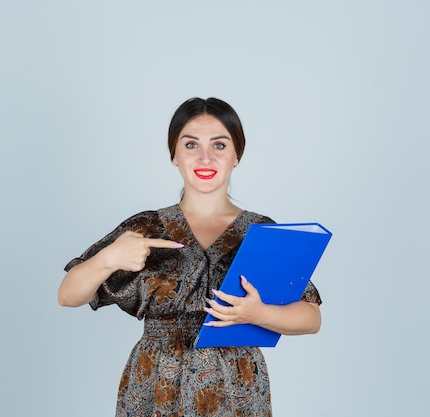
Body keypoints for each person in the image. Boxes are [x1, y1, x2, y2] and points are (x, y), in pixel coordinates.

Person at [58, 97, 322, 416]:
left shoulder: (260, 232)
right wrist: (108, 259)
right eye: (191, 144)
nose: (205, 157)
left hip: (236, 386)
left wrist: (257, 314)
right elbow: (68, 295)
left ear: (237, 154)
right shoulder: (147, 227)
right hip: (156, 382)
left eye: (220, 145)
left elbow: (311, 317)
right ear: (174, 154)